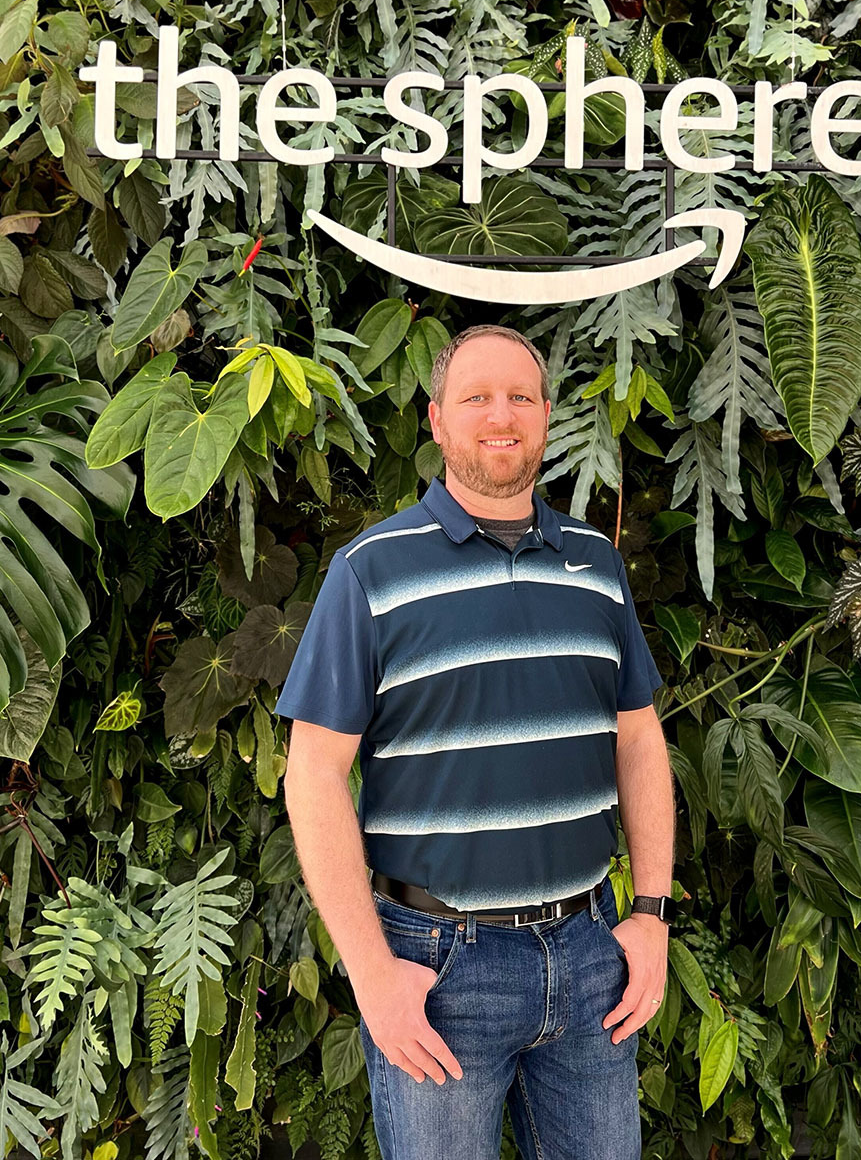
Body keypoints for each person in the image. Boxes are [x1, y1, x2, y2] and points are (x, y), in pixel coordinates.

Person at [277, 324, 676, 1159]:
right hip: (436, 969)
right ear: (436, 420)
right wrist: (371, 972)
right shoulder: (370, 571)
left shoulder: (597, 568)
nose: (503, 415)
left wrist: (651, 914)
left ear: (546, 415)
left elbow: (639, 739)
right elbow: (313, 773)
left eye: (521, 396)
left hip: (590, 952)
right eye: (477, 397)